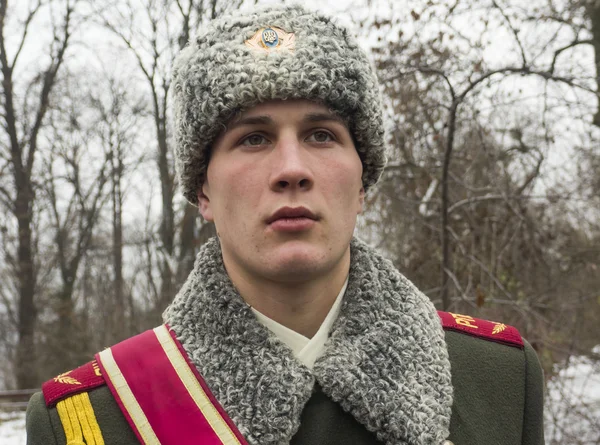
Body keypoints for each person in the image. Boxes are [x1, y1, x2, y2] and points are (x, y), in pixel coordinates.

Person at [26, 4, 545, 445]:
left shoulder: (496, 380)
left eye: (321, 135)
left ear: (362, 183)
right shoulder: (93, 420)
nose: (292, 169)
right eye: (253, 138)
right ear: (202, 190)